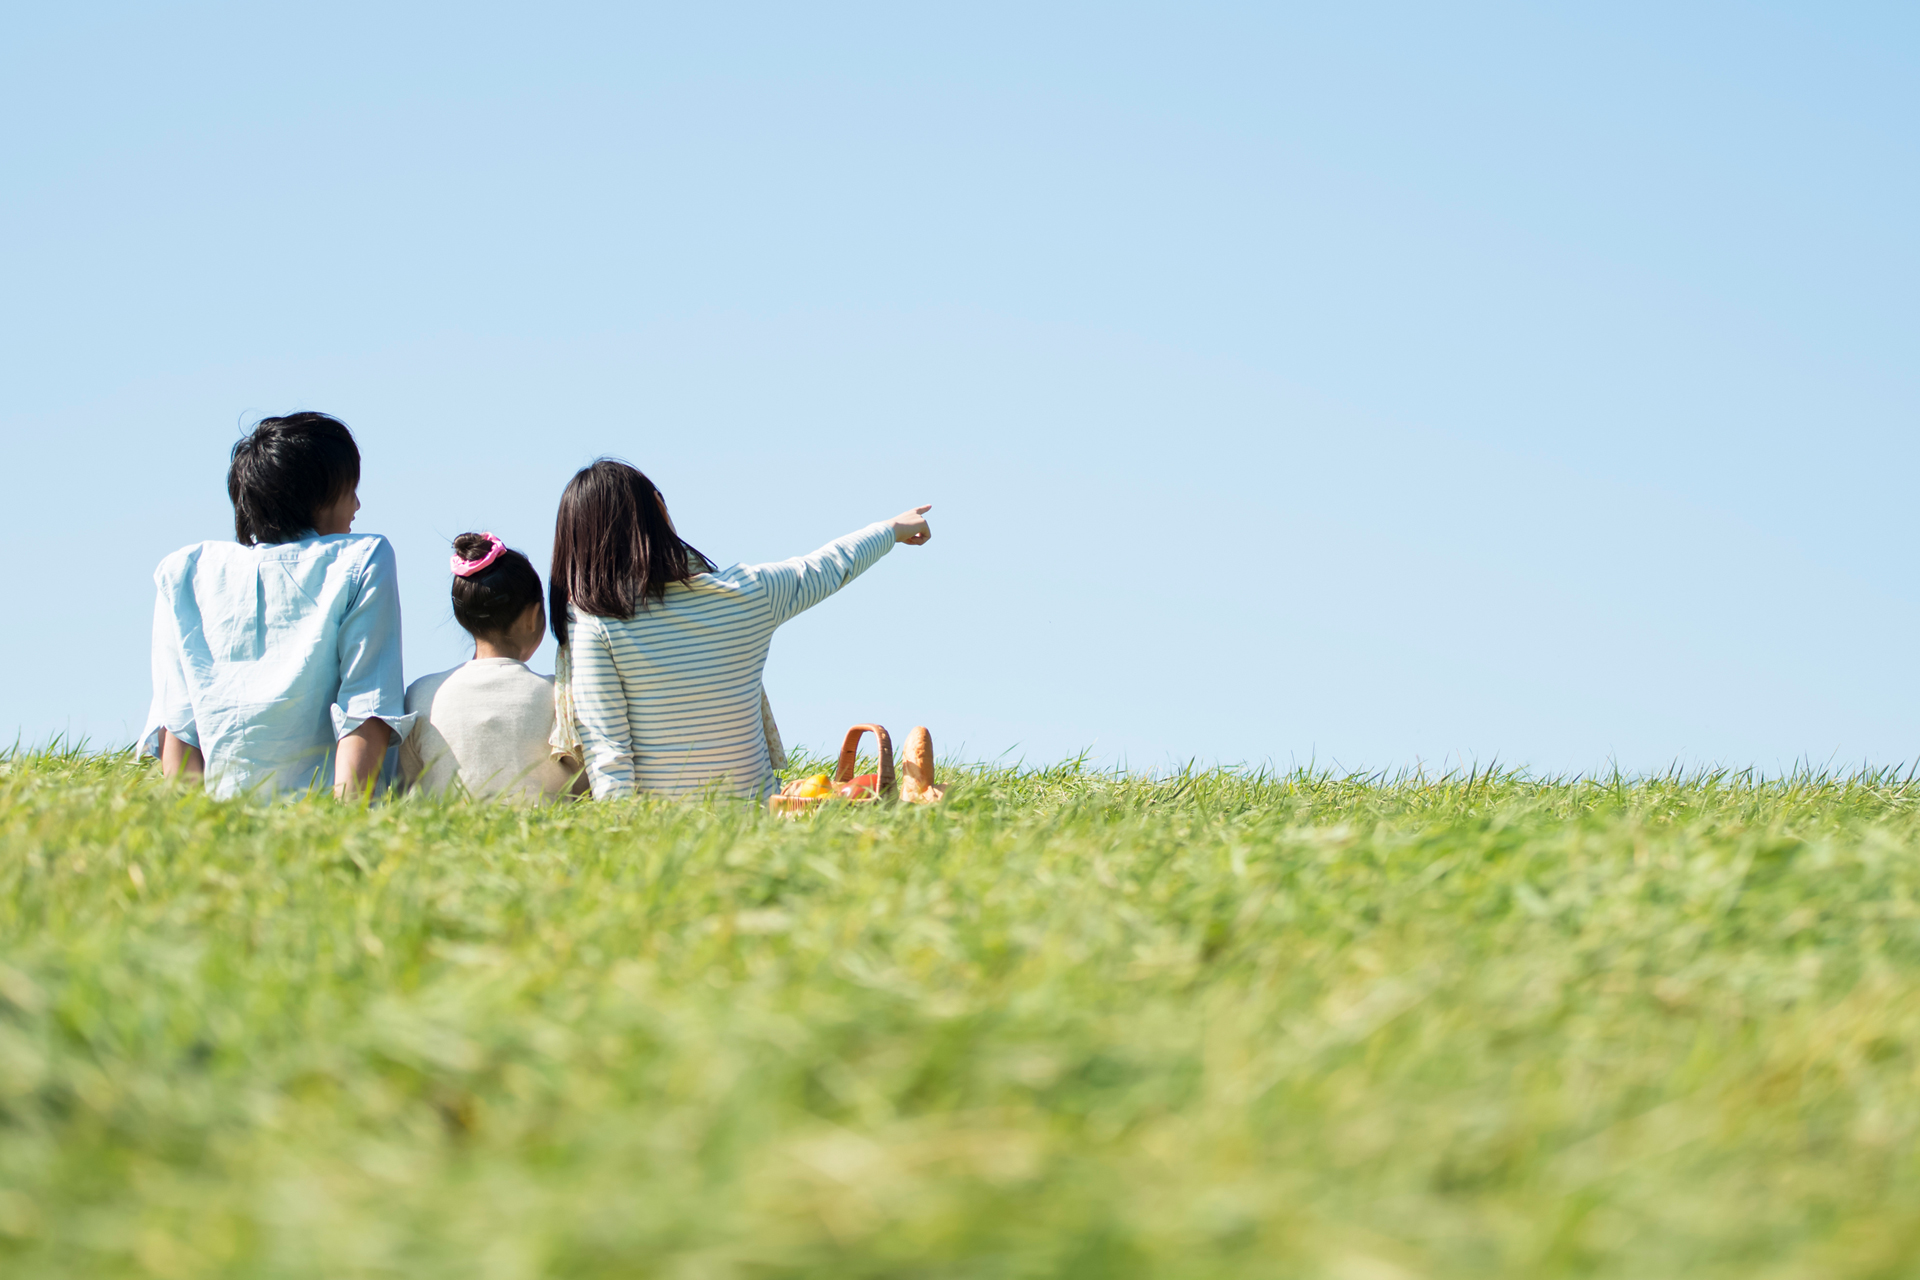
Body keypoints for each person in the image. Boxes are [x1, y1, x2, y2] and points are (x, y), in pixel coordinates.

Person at [549, 459, 931, 800]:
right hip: (757, 818)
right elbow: (828, 566)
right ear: (660, 509)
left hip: (663, 829)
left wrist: (627, 837)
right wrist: (891, 528)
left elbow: (608, 749)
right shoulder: (747, 591)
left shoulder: (593, 625)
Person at [140, 413, 414, 800]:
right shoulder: (361, 557)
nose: (357, 504)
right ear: (320, 493)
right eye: (350, 488)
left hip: (216, 828)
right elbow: (366, 709)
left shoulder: (185, 572)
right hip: (321, 818)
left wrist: (192, 840)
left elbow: (180, 731)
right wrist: (347, 833)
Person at [398, 533, 582, 802]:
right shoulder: (560, 694)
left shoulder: (422, 694)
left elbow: (402, 786)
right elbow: (585, 787)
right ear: (532, 617)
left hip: (446, 840)